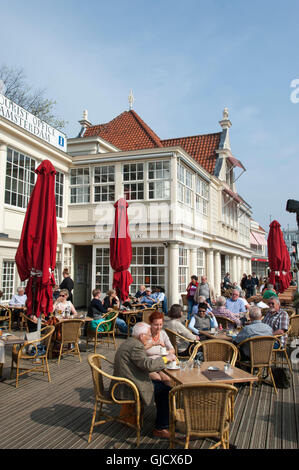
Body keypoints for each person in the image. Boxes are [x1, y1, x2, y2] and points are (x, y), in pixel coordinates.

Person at [112, 322, 177, 439]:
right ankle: (161, 428)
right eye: (148, 335)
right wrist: (166, 359)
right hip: (128, 387)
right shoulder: (136, 346)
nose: (150, 338)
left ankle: (163, 418)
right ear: (142, 336)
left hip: (125, 381)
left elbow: (142, 364)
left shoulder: (130, 342)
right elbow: (147, 365)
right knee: (166, 390)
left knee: (162, 384)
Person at [144, 311, 175, 386]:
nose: (159, 327)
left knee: (167, 379)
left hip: (161, 363)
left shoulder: (163, 333)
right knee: (157, 378)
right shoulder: (145, 334)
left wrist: (166, 352)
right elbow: (140, 349)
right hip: (148, 365)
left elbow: (172, 350)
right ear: (150, 323)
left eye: (160, 324)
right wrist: (153, 344)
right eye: (156, 325)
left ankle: (169, 397)